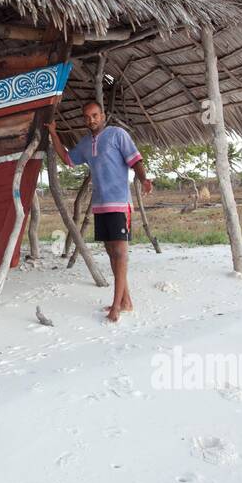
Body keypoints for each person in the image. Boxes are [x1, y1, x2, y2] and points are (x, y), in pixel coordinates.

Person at [47, 102, 152, 320]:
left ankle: (116, 306)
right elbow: (67, 159)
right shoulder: (86, 144)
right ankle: (126, 301)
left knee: (121, 254)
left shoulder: (117, 135)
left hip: (119, 204)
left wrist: (143, 179)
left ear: (102, 115)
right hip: (100, 206)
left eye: (95, 115)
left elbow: (135, 159)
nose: (91, 120)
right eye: (87, 117)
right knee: (112, 254)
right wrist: (53, 134)